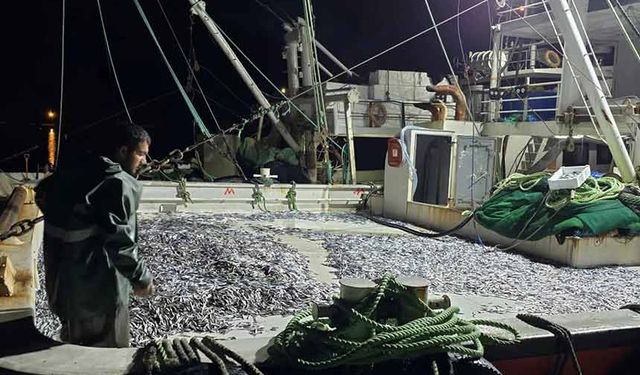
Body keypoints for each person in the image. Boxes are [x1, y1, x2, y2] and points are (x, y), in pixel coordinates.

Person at [35, 122, 154, 348]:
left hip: (65, 292)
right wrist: (142, 278)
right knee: (107, 358)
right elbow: (120, 243)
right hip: (100, 296)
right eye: (140, 154)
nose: (145, 162)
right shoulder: (117, 184)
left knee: (76, 353)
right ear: (122, 151)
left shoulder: (70, 175)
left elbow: (42, 194)